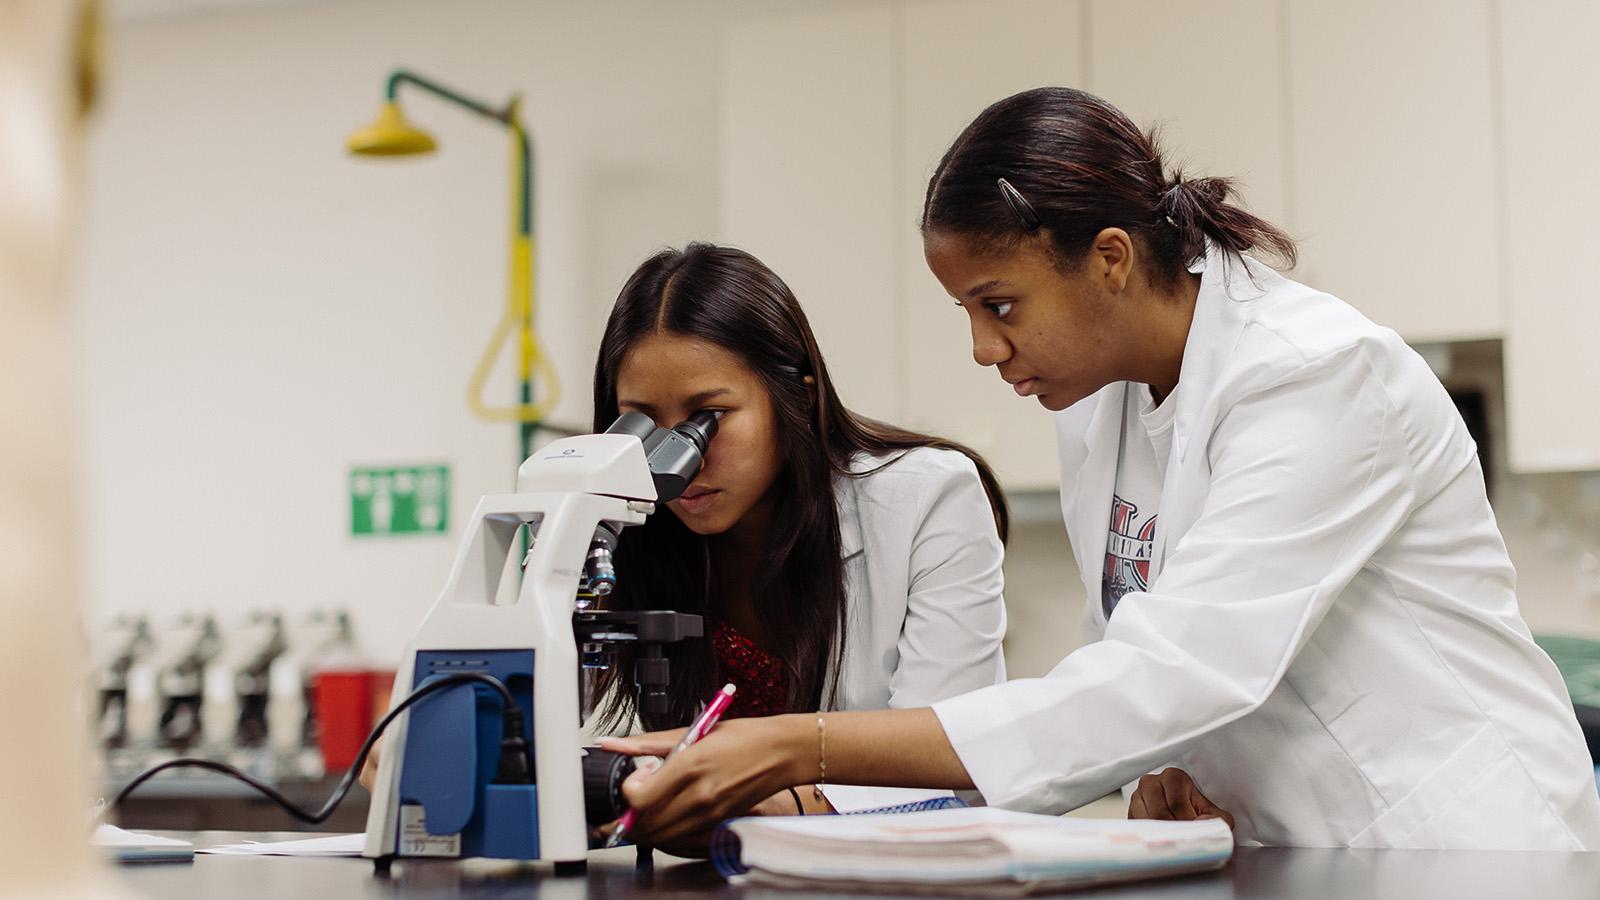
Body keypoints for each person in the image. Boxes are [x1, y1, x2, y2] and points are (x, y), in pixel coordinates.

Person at [601, 87, 1600, 851]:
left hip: (1461, 842)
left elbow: (1172, 672)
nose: (985, 351)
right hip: (1282, 845)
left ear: (1110, 258)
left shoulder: (1315, 378)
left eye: (999, 304)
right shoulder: (1101, 400)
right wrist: (1161, 767)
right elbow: (1132, 632)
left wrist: (794, 744)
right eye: (967, 315)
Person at [589, 242, 1009, 818]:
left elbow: (945, 762)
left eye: (705, 419)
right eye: (644, 423)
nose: (676, 460)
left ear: (797, 396)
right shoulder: (623, 535)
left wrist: (744, 810)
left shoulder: (928, 496)